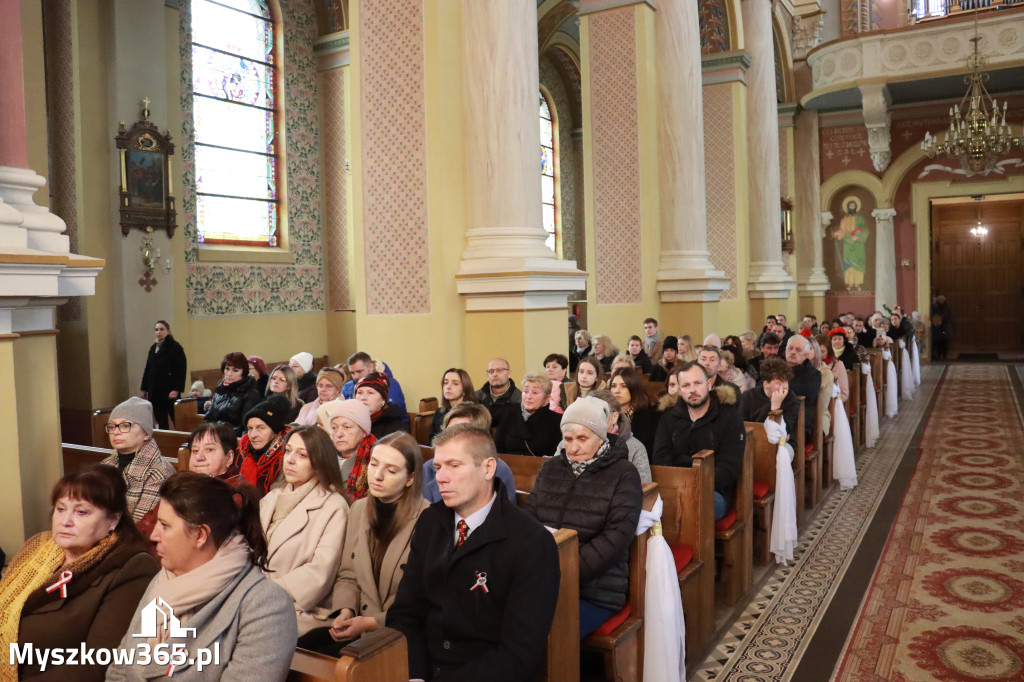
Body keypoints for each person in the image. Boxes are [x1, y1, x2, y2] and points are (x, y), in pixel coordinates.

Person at [386, 425, 561, 682]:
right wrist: (415, 675)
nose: (441, 478)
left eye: (454, 466)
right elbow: (405, 614)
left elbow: (518, 653)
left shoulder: (532, 542)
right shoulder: (430, 522)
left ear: (488, 469)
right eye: (437, 468)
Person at [106, 473, 297, 680]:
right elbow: (119, 670)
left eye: (165, 525)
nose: (153, 535)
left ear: (200, 536)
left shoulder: (265, 606)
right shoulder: (162, 582)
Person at [0, 466, 159, 681]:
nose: (66, 521)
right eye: (61, 509)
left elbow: (97, 664)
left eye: (81, 512)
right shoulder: (38, 548)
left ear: (113, 520)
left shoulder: (132, 568)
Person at [297, 433, 429, 656]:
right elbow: (348, 573)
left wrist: (370, 623)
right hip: (359, 621)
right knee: (299, 649)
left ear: (410, 478)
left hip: (398, 630)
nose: (377, 475)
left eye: (391, 470)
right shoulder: (358, 509)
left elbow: (420, 601)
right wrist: (346, 610)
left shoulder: (427, 519)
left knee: (334, 663)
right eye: (374, 464)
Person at [523, 397, 643, 638]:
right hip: (541, 579)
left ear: (601, 438)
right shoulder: (551, 468)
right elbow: (529, 518)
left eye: (582, 439)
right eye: (568, 439)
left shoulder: (623, 474)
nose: (574, 447)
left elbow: (616, 537)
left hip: (595, 591)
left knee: (539, 631)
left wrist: (563, 568)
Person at [259, 426, 349, 635]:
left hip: (299, 609)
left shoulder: (333, 506)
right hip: (256, 599)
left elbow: (319, 573)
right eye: (288, 451)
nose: (290, 460)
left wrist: (262, 592)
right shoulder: (271, 498)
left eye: (302, 455)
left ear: (319, 464)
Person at [652, 362, 746, 521]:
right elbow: (661, 458)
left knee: (692, 506)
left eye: (698, 383)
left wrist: (691, 479)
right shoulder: (669, 417)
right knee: (647, 508)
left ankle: (700, 547)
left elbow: (728, 468)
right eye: (686, 385)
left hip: (713, 490)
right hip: (675, 486)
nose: (693, 390)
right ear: (680, 390)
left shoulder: (729, 417)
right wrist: (680, 483)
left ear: (709, 384)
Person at [422, 403, 518, 503]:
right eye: (448, 433)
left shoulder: (499, 470)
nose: (451, 439)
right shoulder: (427, 469)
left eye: (460, 434)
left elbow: (504, 515)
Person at [102, 397, 175, 523]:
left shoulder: (159, 473)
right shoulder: (105, 465)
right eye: (112, 426)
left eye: (126, 426)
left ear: (146, 433)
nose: (116, 432)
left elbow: (140, 526)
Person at [493, 372, 563, 457]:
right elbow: (498, 447)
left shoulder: (556, 420)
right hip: (509, 466)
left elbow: (556, 456)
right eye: (525, 391)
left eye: (535, 392)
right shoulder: (510, 412)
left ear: (547, 398)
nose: (528, 396)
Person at [237, 394, 294, 497]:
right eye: (250, 428)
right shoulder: (241, 453)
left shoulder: (285, 459)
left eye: (260, 428)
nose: (253, 435)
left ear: (275, 431)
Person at [591, 388, 652, 483]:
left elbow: (644, 487)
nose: (593, 419)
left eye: (600, 414)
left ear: (614, 417)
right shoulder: (572, 442)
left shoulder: (635, 448)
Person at [325, 399, 378, 504]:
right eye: (334, 428)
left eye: (347, 427)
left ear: (364, 431)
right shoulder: (325, 455)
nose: (339, 434)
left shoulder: (375, 460)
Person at [740, 357, 801, 443]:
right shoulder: (748, 396)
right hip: (752, 442)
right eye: (779, 383)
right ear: (766, 384)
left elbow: (785, 431)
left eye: (785, 382)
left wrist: (775, 408)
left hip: (783, 443)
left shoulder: (791, 399)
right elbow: (743, 426)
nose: (784, 386)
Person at [140, 319, 187, 430]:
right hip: (155, 391)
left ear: (168, 331)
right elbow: (148, 369)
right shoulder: (153, 348)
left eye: (162, 329)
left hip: (169, 390)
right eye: (156, 330)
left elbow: (181, 369)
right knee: (160, 421)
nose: (159, 332)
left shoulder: (175, 347)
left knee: (176, 419)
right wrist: (144, 389)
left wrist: (176, 389)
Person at [204, 351, 263, 434]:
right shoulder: (220, 390)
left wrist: (220, 431)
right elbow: (208, 419)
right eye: (227, 369)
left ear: (243, 373)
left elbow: (245, 426)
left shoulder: (251, 394)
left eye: (235, 370)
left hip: (233, 439)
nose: (229, 374)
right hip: (215, 436)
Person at [608, 367, 661, 455]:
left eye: (624, 386)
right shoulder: (606, 415)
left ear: (634, 388)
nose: (616, 391)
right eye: (613, 386)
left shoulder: (648, 418)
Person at [341, 352, 408, 416]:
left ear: (371, 367)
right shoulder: (347, 386)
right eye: (352, 373)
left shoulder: (390, 384)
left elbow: (393, 412)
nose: (355, 376)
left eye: (359, 371)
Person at [187, 421, 248, 487]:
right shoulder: (184, 484)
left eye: (209, 450)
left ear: (229, 457)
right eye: (195, 451)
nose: (199, 457)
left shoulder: (235, 492)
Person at [785, 335, 822, 443]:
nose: (793, 352)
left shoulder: (813, 374)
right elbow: (761, 385)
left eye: (798, 350)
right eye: (790, 348)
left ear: (806, 355)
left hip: (799, 425)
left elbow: (809, 393)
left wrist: (781, 386)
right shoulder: (777, 368)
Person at [355, 372, 409, 439]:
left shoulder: (396, 430)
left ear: (383, 400)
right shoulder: (349, 421)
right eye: (359, 393)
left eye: (370, 393)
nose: (363, 397)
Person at [474, 357, 522, 430]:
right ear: (487, 375)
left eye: (499, 370)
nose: (495, 374)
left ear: (509, 373)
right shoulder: (476, 397)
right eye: (491, 371)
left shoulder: (519, 399)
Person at [430, 368, 476, 439]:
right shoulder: (439, 412)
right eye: (445, 383)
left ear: (465, 389)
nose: (448, 387)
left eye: (455, 384)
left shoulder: (473, 414)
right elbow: (430, 441)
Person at [818, 335, 849, 403]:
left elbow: (844, 393)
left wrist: (831, 400)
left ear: (829, 351)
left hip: (832, 404)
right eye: (817, 352)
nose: (819, 355)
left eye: (823, 352)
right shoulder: (810, 364)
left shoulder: (838, 365)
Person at [931, 294, 953, 360]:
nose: (941, 301)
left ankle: (944, 355)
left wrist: (943, 318)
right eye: (939, 300)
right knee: (937, 342)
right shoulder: (935, 307)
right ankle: (938, 355)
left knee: (944, 342)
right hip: (937, 328)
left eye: (942, 300)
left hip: (944, 327)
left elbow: (949, 316)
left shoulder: (947, 307)